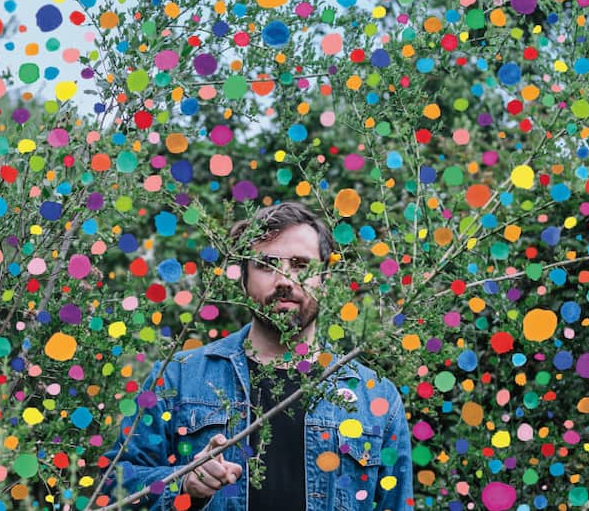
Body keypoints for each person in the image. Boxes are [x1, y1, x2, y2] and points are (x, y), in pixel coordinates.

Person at [102, 202, 413, 510]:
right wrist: (183, 484)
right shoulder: (177, 378)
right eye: (266, 265)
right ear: (243, 279)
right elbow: (114, 486)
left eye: (301, 264)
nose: (285, 280)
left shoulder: (375, 397)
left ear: (326, 280)